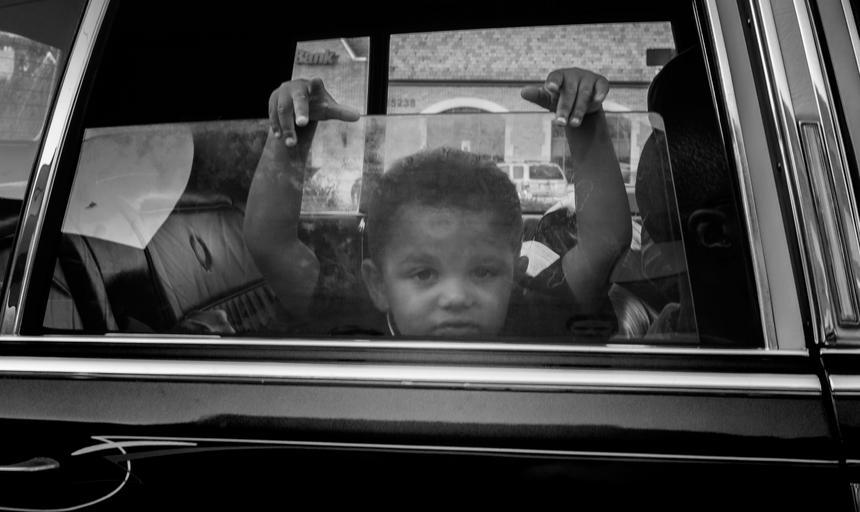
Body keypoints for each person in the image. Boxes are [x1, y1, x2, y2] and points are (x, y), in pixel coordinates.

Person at [243, 68, 631, 339]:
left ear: (516, 276)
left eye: (484, 272)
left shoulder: (531, 316)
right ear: (378, 285)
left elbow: (604, 245)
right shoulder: (355, 319)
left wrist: (585, 123)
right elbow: (270, 245)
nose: (456, 298)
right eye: (424, 274)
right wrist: (290, 137)